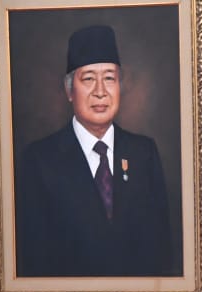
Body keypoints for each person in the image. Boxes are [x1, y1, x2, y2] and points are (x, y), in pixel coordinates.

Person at [15, 24, 179, 277]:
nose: (100, 92)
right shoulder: (39, 160)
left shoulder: (143, 153)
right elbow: (34, 259)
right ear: (70, 89)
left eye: (110, 78)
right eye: (89, 78)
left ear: (120, 86)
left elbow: (162, 252)